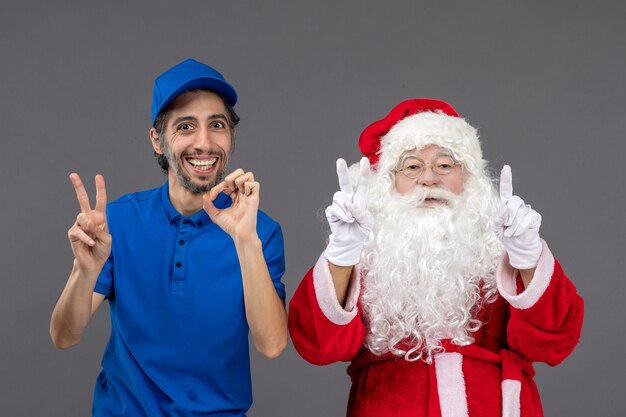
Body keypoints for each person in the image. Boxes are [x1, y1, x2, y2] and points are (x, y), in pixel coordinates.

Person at [288, 98, 584, 417]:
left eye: (444, 165)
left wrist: (527, 258)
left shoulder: (501, 247)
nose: (428, 179)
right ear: (389, 182)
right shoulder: (363, 251)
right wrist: (342, 255)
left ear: (467, 179)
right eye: (413, 166)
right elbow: (316, 346)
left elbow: (556, 344)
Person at [50, 58, 288, 417]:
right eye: (186, 127)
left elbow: (271, 345)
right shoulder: (117, 221)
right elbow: (64, 337)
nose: (204, 143)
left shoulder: (260, 232)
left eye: (217, 125)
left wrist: (245, 242)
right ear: (158, 141)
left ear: (232, 136)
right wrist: (83, 272)